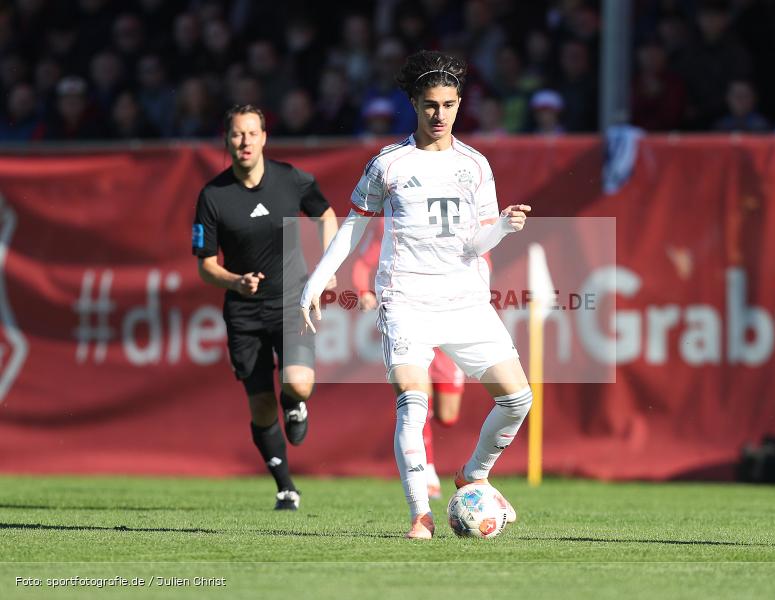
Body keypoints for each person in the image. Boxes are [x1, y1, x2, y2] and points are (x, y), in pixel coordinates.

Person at [300, 50, 533, 539]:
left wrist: (505, 228)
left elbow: (477, 240)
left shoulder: (475, 165)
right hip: (406, 300)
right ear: (413, 103)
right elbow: (352, 230)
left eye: (449, 104)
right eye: (430, 104)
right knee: (413, 399)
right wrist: (316, 281)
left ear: (459, 104)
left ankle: (474, 475)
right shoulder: (389, 164)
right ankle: (420, 517)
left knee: (517, 400)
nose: (440, 114)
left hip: (466, 301)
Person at [192, 104, 338, 510]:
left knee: (298, 384)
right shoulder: (213, 196)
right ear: (227, 140)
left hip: (293, 302)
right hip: (244, 311)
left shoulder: (290, 179)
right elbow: (205, 266)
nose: (245, 142)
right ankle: (286, 486)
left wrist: (327, 266)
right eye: (237, 134)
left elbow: (325, 213)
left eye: (252, 133)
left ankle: (295, 403)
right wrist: (235, 280)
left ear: (264, 138)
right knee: (259, 404)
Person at [351, 228, 469, 499]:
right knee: (417, 395)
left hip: (449, 327)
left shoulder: (454, 218)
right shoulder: (393, 221)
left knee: (448, 416)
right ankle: (426, 473)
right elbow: (363, 263)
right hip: (410, 320)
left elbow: (481, 261)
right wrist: (363, 291)